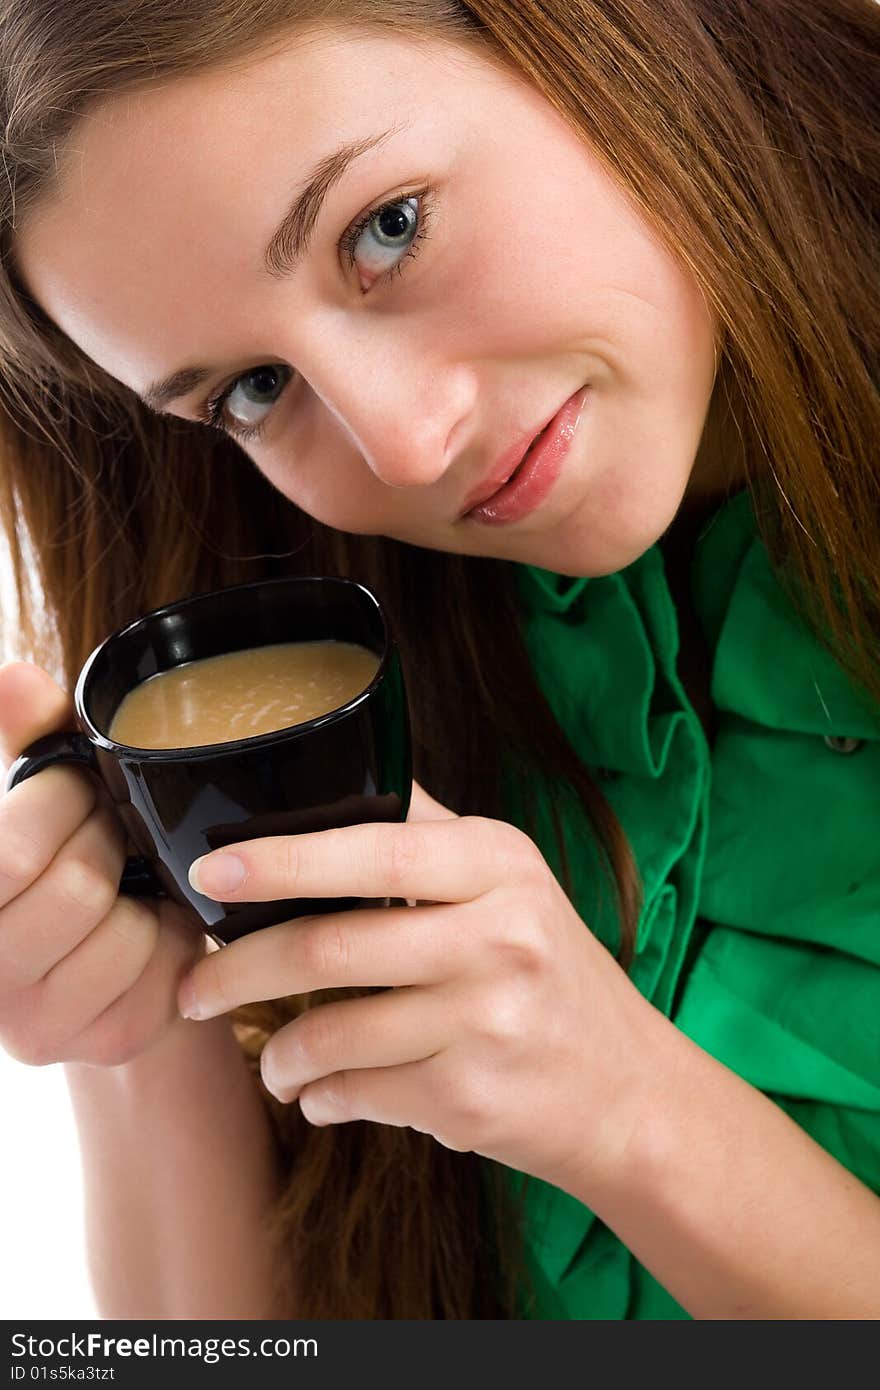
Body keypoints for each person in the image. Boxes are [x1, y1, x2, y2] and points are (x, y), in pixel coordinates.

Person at [0, 0, 877, 1322]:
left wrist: (633, 1111)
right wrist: (146, 1017)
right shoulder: (336, 647)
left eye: (386, 227)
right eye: (251, 391)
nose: (404, 446)